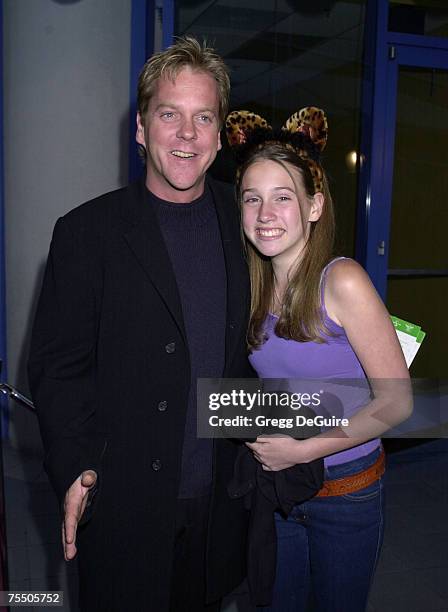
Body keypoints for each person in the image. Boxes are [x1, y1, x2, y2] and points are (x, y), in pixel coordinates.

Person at [28, 37, 253, 612]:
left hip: (218, 508)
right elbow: (58, 369)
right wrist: (75, 465)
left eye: (203, 117)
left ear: (220, 133)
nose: (186, 134)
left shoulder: (247, 221)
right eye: (169, 114)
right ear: (140, 128)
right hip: (126, 507)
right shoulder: (85, 233)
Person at [226, 107, 412, 611]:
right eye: (252, 199)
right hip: (280, 489)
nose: (265, 214)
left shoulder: (342, 280)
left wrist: (303, 450)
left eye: (282, 197)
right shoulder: (251, 286)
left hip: (345, 492)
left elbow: (397, 403)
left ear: (314, 206)